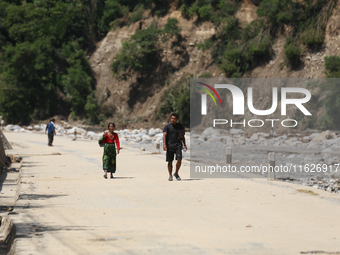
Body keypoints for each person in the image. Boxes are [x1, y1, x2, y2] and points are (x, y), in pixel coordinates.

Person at [163, 113, 187, 181]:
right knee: (170, 161)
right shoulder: (167, 127)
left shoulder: (180, 127)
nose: (172, 120)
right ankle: (170, 175)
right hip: (170, 146)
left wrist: (185, 144)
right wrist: (164, 145)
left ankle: (176, 173)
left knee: (179, 159)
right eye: (172, 118)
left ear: (177, 119)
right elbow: (164, 135)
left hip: (178, 145)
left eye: (174, 119)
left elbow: (182, 137)